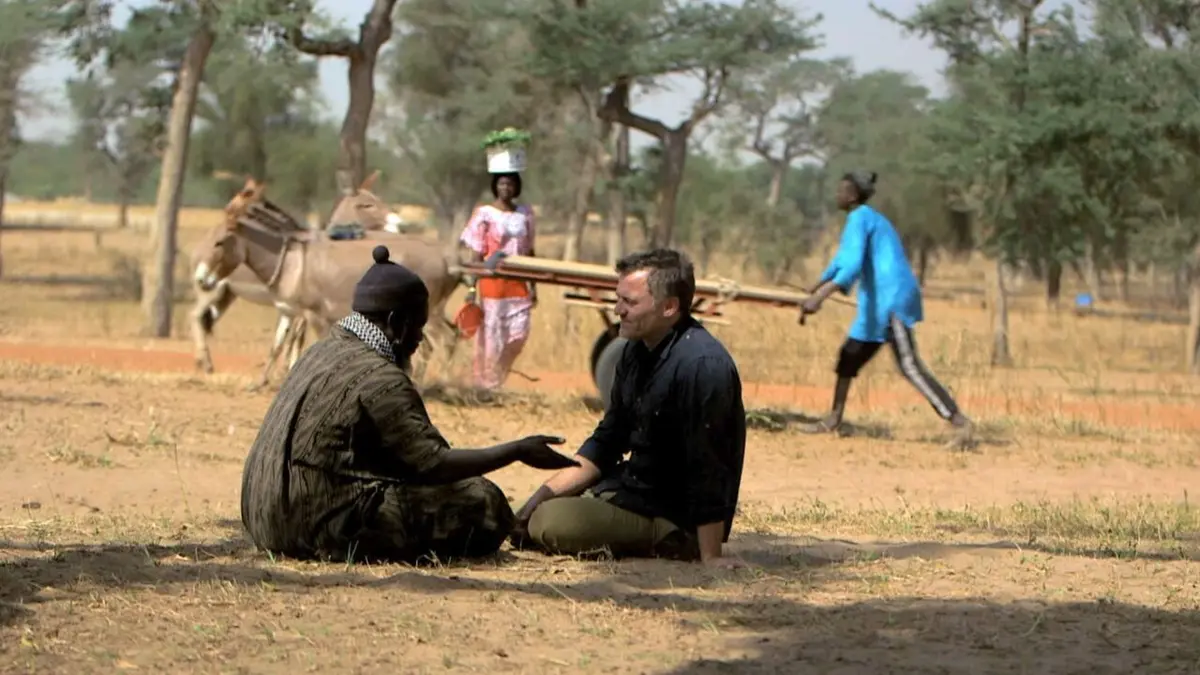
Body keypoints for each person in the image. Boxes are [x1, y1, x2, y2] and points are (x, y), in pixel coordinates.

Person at [239, 245, 578, 564]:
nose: (418, 340)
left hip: (260, 516)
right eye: (417, 327)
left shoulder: (319, 352)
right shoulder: (381, 378)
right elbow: (433, 465)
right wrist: (516, 451)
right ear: (395, 323)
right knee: (483, 501)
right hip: (309, 526)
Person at [509, 249, 748, 568]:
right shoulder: (635, 351)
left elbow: (710, 465)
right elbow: (607, 441)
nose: (618, 310)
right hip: (632, 491)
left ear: (669, 306)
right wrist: (540, 496)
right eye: (618, 299)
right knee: (530, 512)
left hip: (673, 513)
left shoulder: (702, 366)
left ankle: (672, 539)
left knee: (549, 523)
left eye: (630, 302)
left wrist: (711, 556)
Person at [798, 170, 974, 448]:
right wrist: (816, 286)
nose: (837, 195)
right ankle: (833, 419)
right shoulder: (861, 219)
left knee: (909, 365)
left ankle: (960, 422)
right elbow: (842, 261)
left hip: (891, 298)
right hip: (874, 303)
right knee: (848, 358)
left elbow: (852, 266)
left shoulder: (860, 218)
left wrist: (820, 297)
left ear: (853, 196)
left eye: (841, 190)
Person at [459, 171, 537, 391]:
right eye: (502, 183)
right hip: (491, 284)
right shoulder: (484, 214)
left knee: (519, 333)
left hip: (518, 283)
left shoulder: (525, 214)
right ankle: (487, 384)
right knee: (492, 336)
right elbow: (476, 253)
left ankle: (499, 373)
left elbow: (530, 250)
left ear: (516, 187)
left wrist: (534, 285)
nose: (506, 187)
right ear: (495, 186)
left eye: (510, 183)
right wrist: (473, 287)